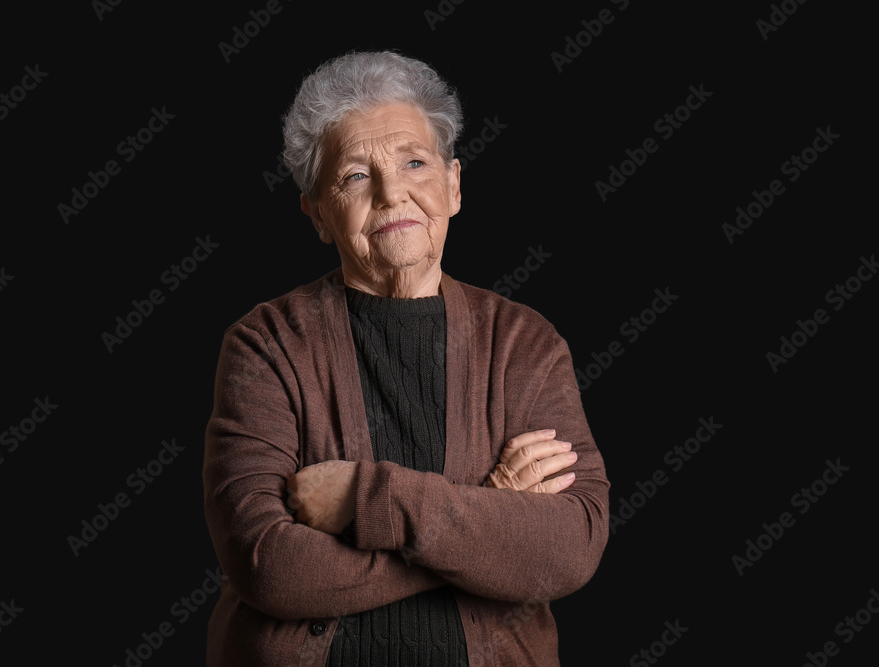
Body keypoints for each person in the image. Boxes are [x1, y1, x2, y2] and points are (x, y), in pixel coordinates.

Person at [203, 50, 609, 667]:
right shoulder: (267, 343)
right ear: (318, 214)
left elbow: (572, 546)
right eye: (355, 176)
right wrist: (492, 508)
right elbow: (269, 567)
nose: (394, 193)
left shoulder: (525, 343)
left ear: (452, 185)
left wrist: (365, 501)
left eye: (414, 162)